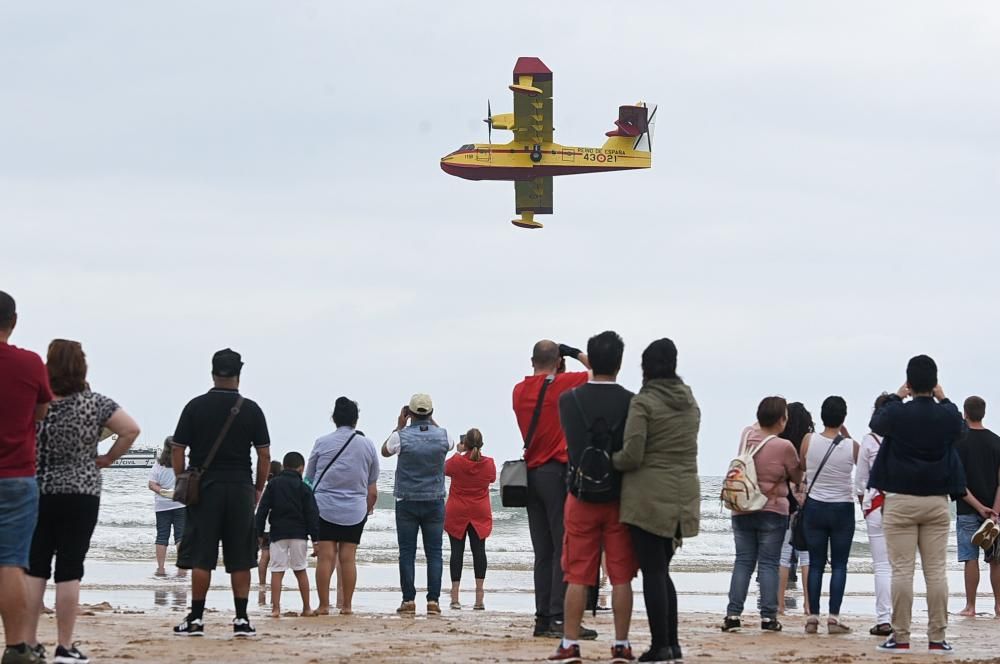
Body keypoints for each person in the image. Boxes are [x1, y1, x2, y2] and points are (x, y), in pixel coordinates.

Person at [24, 339, 140, 664]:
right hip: (82, 491)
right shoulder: (96, 403)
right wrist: (107, 459)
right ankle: (64, 646)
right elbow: (131, 430)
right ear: (82, 367)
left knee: (35, 568)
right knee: (70, 568)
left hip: (40, 488)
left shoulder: (37, 403)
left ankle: (30, 643)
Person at [545, 331, 638, 664]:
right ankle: (622, 644)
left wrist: (573, 356)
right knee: (621, 575)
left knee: (577, 573)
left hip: (580, 494)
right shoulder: (632, 401)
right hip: (618, 496)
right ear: (621, 362)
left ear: (591, 360)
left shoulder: (569, 400)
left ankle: (570, 644)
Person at [868, 355, 967, 653]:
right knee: (936, 571)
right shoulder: (947, 415)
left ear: (909, 383)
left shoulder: (898, 413)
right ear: (934, 383)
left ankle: (901, 637)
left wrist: (897, 396)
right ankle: (937, 638)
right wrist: (945, 397)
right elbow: (959, 428)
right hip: (937, 501)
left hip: (900, 500)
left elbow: (876, 423)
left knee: (901, 571)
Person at [171, 348, 271, 638]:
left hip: (204, 489)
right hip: (240, 487)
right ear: (239, 374)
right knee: (240, 556)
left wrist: (182, 478)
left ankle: (196, 619)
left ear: (213, 372)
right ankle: (241, 619)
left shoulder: (195, 406)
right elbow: (264, 456)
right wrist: (258, 488)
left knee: (202, 555)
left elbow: (178, 448)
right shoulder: (251, 409)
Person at [615, 337, 701, 663]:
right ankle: (673, 644)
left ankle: (660, 646)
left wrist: (609, 460)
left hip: (649, 497)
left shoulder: (644, 402)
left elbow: (632, 455)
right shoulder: (690, 402)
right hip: (682, 498)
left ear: (645, 367)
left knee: (652, 572)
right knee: (662, 571)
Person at [512, 340, 595, 639]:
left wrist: (558, 363)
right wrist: (573, 352)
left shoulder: (519, 391)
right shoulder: (564, 384)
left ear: (531, 360)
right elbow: (599, 371)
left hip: (530, 475)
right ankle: (559, 618)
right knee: (563, 549)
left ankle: (542, 618)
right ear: (558, 362)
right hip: (556, 472)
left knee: (543, 553)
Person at [0, 292, 52, 664]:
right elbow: (40, 412)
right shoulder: (30, 363)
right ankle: (17, 646)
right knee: (11, 562)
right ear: (13, 321)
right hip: (16, 473)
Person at [722, 396, 803, 633]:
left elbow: (756, 429)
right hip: (772, 510)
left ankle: (733, 615)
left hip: (742, 508)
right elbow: (797, 477)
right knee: (768, 564)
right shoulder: (784, 446)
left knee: (743, 561)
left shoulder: (747, 435)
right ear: (781, 419)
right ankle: (768, 617)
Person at [306, 397, 379, 615]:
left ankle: (323, 605)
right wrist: (365, 510)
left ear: (334, 418)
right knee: (348, 558)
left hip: (325, 508)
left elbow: (308, 479)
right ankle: (347, 606)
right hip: (355, 510)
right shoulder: (367, 445)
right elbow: (372, 490)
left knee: (325, 557)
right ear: (356, 419)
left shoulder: (321, 442)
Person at [381, 394, 454, 616]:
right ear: (431, 413)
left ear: (409, 413)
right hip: (434, 500)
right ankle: (433, 601)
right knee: (434, 553)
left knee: (407, 552)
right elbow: (448, 445)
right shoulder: (443, 435)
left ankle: (408, 600)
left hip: (407, 500)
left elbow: (385, 451)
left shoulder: (401, 437)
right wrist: (431, 421)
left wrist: (399, 426)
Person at [799, 396, 859, 635]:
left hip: (815, 506)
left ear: (822, 415)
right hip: (842, 507)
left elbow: (802, 466)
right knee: (840, 565)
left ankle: (812, 617)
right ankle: (834, 617)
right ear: (843, 418)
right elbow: (862, 464)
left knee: (815, 563)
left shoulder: (808, 440)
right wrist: (847, 434)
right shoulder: (851, 445)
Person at [255, 451, 319, 618]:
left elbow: (262, 510)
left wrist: (259, 533)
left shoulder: (273, 485)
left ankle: (275, 609)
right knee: (300, 569)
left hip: (278, 533)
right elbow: (312, 514)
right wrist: (316, 539)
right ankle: (306, 608)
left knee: (277, 570)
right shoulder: (304, 488)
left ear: (284, 466)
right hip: (299, 534)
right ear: (301, 468)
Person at [954, 396, 1000, 617]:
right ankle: (999, 606)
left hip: (967, 509)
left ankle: (970, 606)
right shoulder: (996, 441)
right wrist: (994, 511)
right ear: (983, 412)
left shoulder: (959, 443)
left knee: (969, 558)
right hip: (995, 513)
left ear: (965, 413)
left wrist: (979, 507)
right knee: (996, 559)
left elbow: (958, 484)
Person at [854, 393, 894, 636]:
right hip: (903, 505)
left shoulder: (869, 441)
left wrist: (863, 505)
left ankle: (884, 618)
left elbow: (860, 482)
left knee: (881, 565)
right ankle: (901, 617)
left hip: (876, 505)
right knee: (901, 566)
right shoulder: (905, 440)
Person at [445, 428, 495, 611]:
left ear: (464, 443)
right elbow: (491, 478)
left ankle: (455, 595)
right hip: (479, 511)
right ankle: (479, 595)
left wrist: (458, 452)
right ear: (481, 444)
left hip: (457, 510)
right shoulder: (489, 463)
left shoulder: (457, 461)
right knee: (479, 552)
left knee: (456, 552)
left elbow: (444, 468)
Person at [777, 402, 813, 616]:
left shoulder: (782, 444)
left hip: (785, 502)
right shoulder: (810, 445)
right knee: (807, 556)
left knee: (782, 555)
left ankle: (779, 605)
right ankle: (809, 606)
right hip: (808, 503)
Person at [149, 438, 188, 578]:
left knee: (162, 536)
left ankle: (160, 567)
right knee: (180, 535)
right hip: (180, 503)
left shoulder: (158, 465)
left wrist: (162, 492)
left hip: (161, 505)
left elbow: (151, 484)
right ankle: (182, 567)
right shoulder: (184, 462)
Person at [257, 460, 283, 590]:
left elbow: (260, 510)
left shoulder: (266, 488)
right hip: (276, 527)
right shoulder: (279, 488)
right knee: (275, 558)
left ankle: (262, 582)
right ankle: (275, 582)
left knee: (264, 556)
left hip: (264, 527)